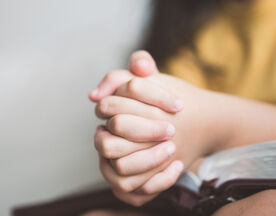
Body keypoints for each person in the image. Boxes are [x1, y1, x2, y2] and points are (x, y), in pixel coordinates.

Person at [87, 0, 276, 215]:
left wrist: (211, 124)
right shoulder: (185, 26)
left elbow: (186, 121)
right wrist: (139, 152)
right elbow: (173, 127)